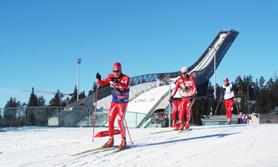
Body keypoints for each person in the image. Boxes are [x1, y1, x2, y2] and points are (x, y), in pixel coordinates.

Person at [96, 62, 130, 150]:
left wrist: (118, 83)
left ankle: (123, 140)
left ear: (120, 70)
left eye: (117, 71)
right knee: (110, 120)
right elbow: (102, 83)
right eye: (114, 71)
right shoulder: (111, 76)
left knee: (120, 121)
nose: (115, 73)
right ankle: (111, 140)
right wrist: (99, 79)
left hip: (122, 102)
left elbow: (125, 86)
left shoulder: (126, 78)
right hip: (114, 102)